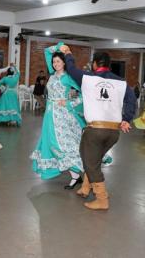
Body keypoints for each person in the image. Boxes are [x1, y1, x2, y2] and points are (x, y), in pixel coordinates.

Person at [62, 46, 137, 210]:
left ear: (95, 64)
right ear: (109, 65)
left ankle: (102, 199)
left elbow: (71, 68)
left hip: (95, 130)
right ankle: (86, 187)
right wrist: (126, 119)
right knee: (92, 158)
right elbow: (132, 100)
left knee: (90, 161)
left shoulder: (88, 78)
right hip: (113, 132)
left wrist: (68, 53)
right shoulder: (121, 82)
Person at [31, 46, 87, 189]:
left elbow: (84, 93)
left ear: (64, 63)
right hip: (50, 115)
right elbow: (46, 51)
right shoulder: (52, 76)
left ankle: (76, 174)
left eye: (58, 61)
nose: (55, 64)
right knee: (50, 143)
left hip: (63, 116)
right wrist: (57, 48)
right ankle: (75, 174)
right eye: (54, 62)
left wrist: (70, 102)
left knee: (62, 144)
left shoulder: (68, 77)